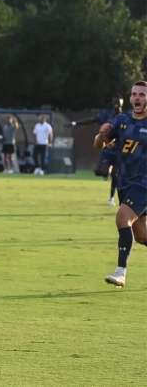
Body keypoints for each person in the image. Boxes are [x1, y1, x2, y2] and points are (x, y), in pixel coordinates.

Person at [93, 81, 147, 288]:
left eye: (142, 94)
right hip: (125, 183)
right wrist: (102, 134)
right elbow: (98, 145)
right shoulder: (121, 120)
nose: (137, 98)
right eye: (135, 94)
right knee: (141, 235)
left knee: (122, 218)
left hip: (144, 183)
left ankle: (120, 272)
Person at [71, 96, 124, 205]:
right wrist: (75, 123)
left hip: (119, 150)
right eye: (115, 102)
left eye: (118, 102)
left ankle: (111, 198)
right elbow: (92, 120)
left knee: (116, 175)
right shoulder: (106, 115)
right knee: (104, 172)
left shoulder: (125, 117)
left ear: (122, 104)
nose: (116, 104)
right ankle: (106, 173)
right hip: (107, 149)